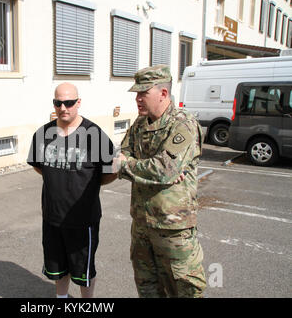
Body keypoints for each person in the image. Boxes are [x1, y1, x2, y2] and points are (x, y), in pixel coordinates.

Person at [113, 65, 207, 298]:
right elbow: (117, 160)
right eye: (136, 93)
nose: (137, 98)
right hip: (142, 224)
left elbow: (164, 169)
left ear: (163, 93)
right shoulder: (139, 125)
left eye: (143, 93)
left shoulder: (183, 124)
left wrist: (130, 165)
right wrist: (152, 170)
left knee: (184, 290)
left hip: (173, 228)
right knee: (147, 288)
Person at [27, 82, 116, 298]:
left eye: (68, 102)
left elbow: (111, 171)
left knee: (83, 271)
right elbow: (40, 168)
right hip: (52, 217)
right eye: (58, 103)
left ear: (78, 102)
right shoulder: (43, 134)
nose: (63, 108)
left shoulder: (94, 135)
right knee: (58, 267)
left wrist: (88, 185)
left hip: (82, 219)